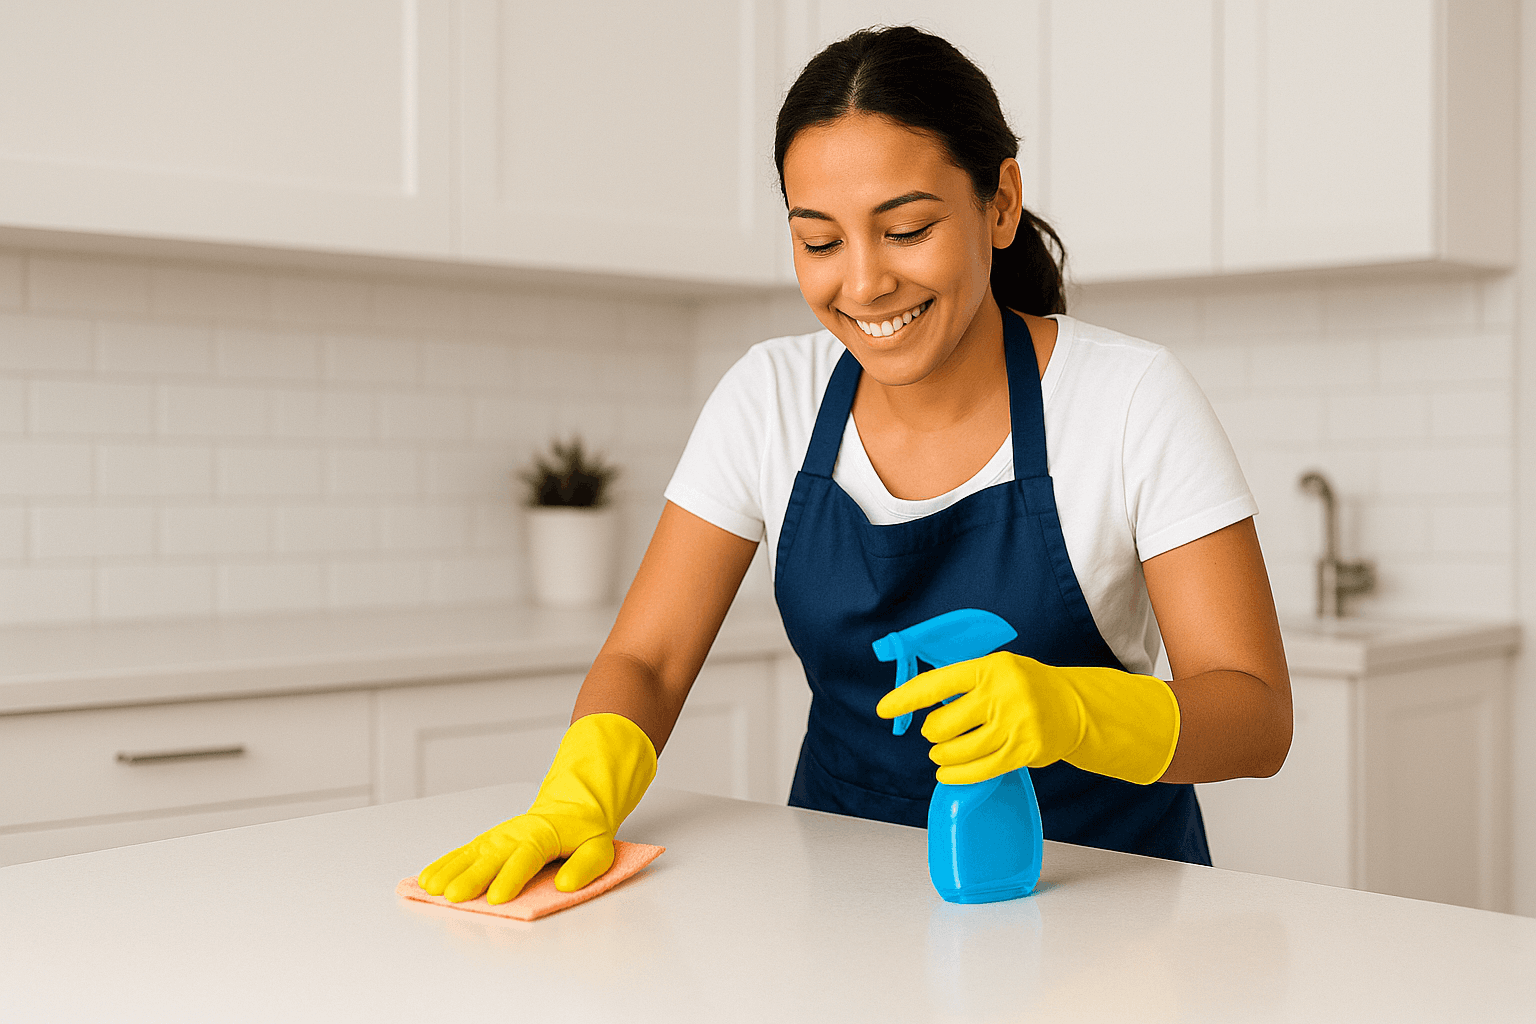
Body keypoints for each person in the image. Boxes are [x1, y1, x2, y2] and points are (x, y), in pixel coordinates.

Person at [418, 26, 1292, 905]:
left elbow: (1256, 716)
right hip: (841, 892)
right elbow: (647, 657)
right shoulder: (771, 397)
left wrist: (1072, 712)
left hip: (1105, 897)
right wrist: (578, 794)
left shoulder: (1131, 398)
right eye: (820, 242)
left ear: (999, 203)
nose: (865, 283)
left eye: (906, 229)